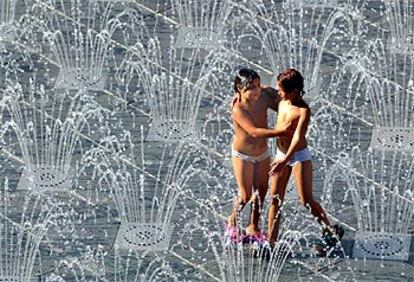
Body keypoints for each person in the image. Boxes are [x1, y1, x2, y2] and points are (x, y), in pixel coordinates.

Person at [267, 68, 343, 255]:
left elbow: (297, 137)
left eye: (282, 90)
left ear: (294, 91)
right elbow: (263, 92)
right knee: (275, 199)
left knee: (306, 200)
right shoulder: (281, 101)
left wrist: (285, 160)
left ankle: (331, 229)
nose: (278, 92)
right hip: (281, 155)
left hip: (298, 156)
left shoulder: (303, 111)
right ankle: (271, 242)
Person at [226, 68, 292, 242]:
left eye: (257, 86)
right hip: (243, 155)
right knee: (246, 195)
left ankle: (253, 226)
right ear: (239, 90)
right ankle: (232, 221)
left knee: (261, 191)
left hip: (262, 153)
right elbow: (253, 131)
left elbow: (280, 102)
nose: (256, 91)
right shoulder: (238, 108)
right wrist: (280, 132)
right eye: (251, 88)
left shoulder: (263, 95)